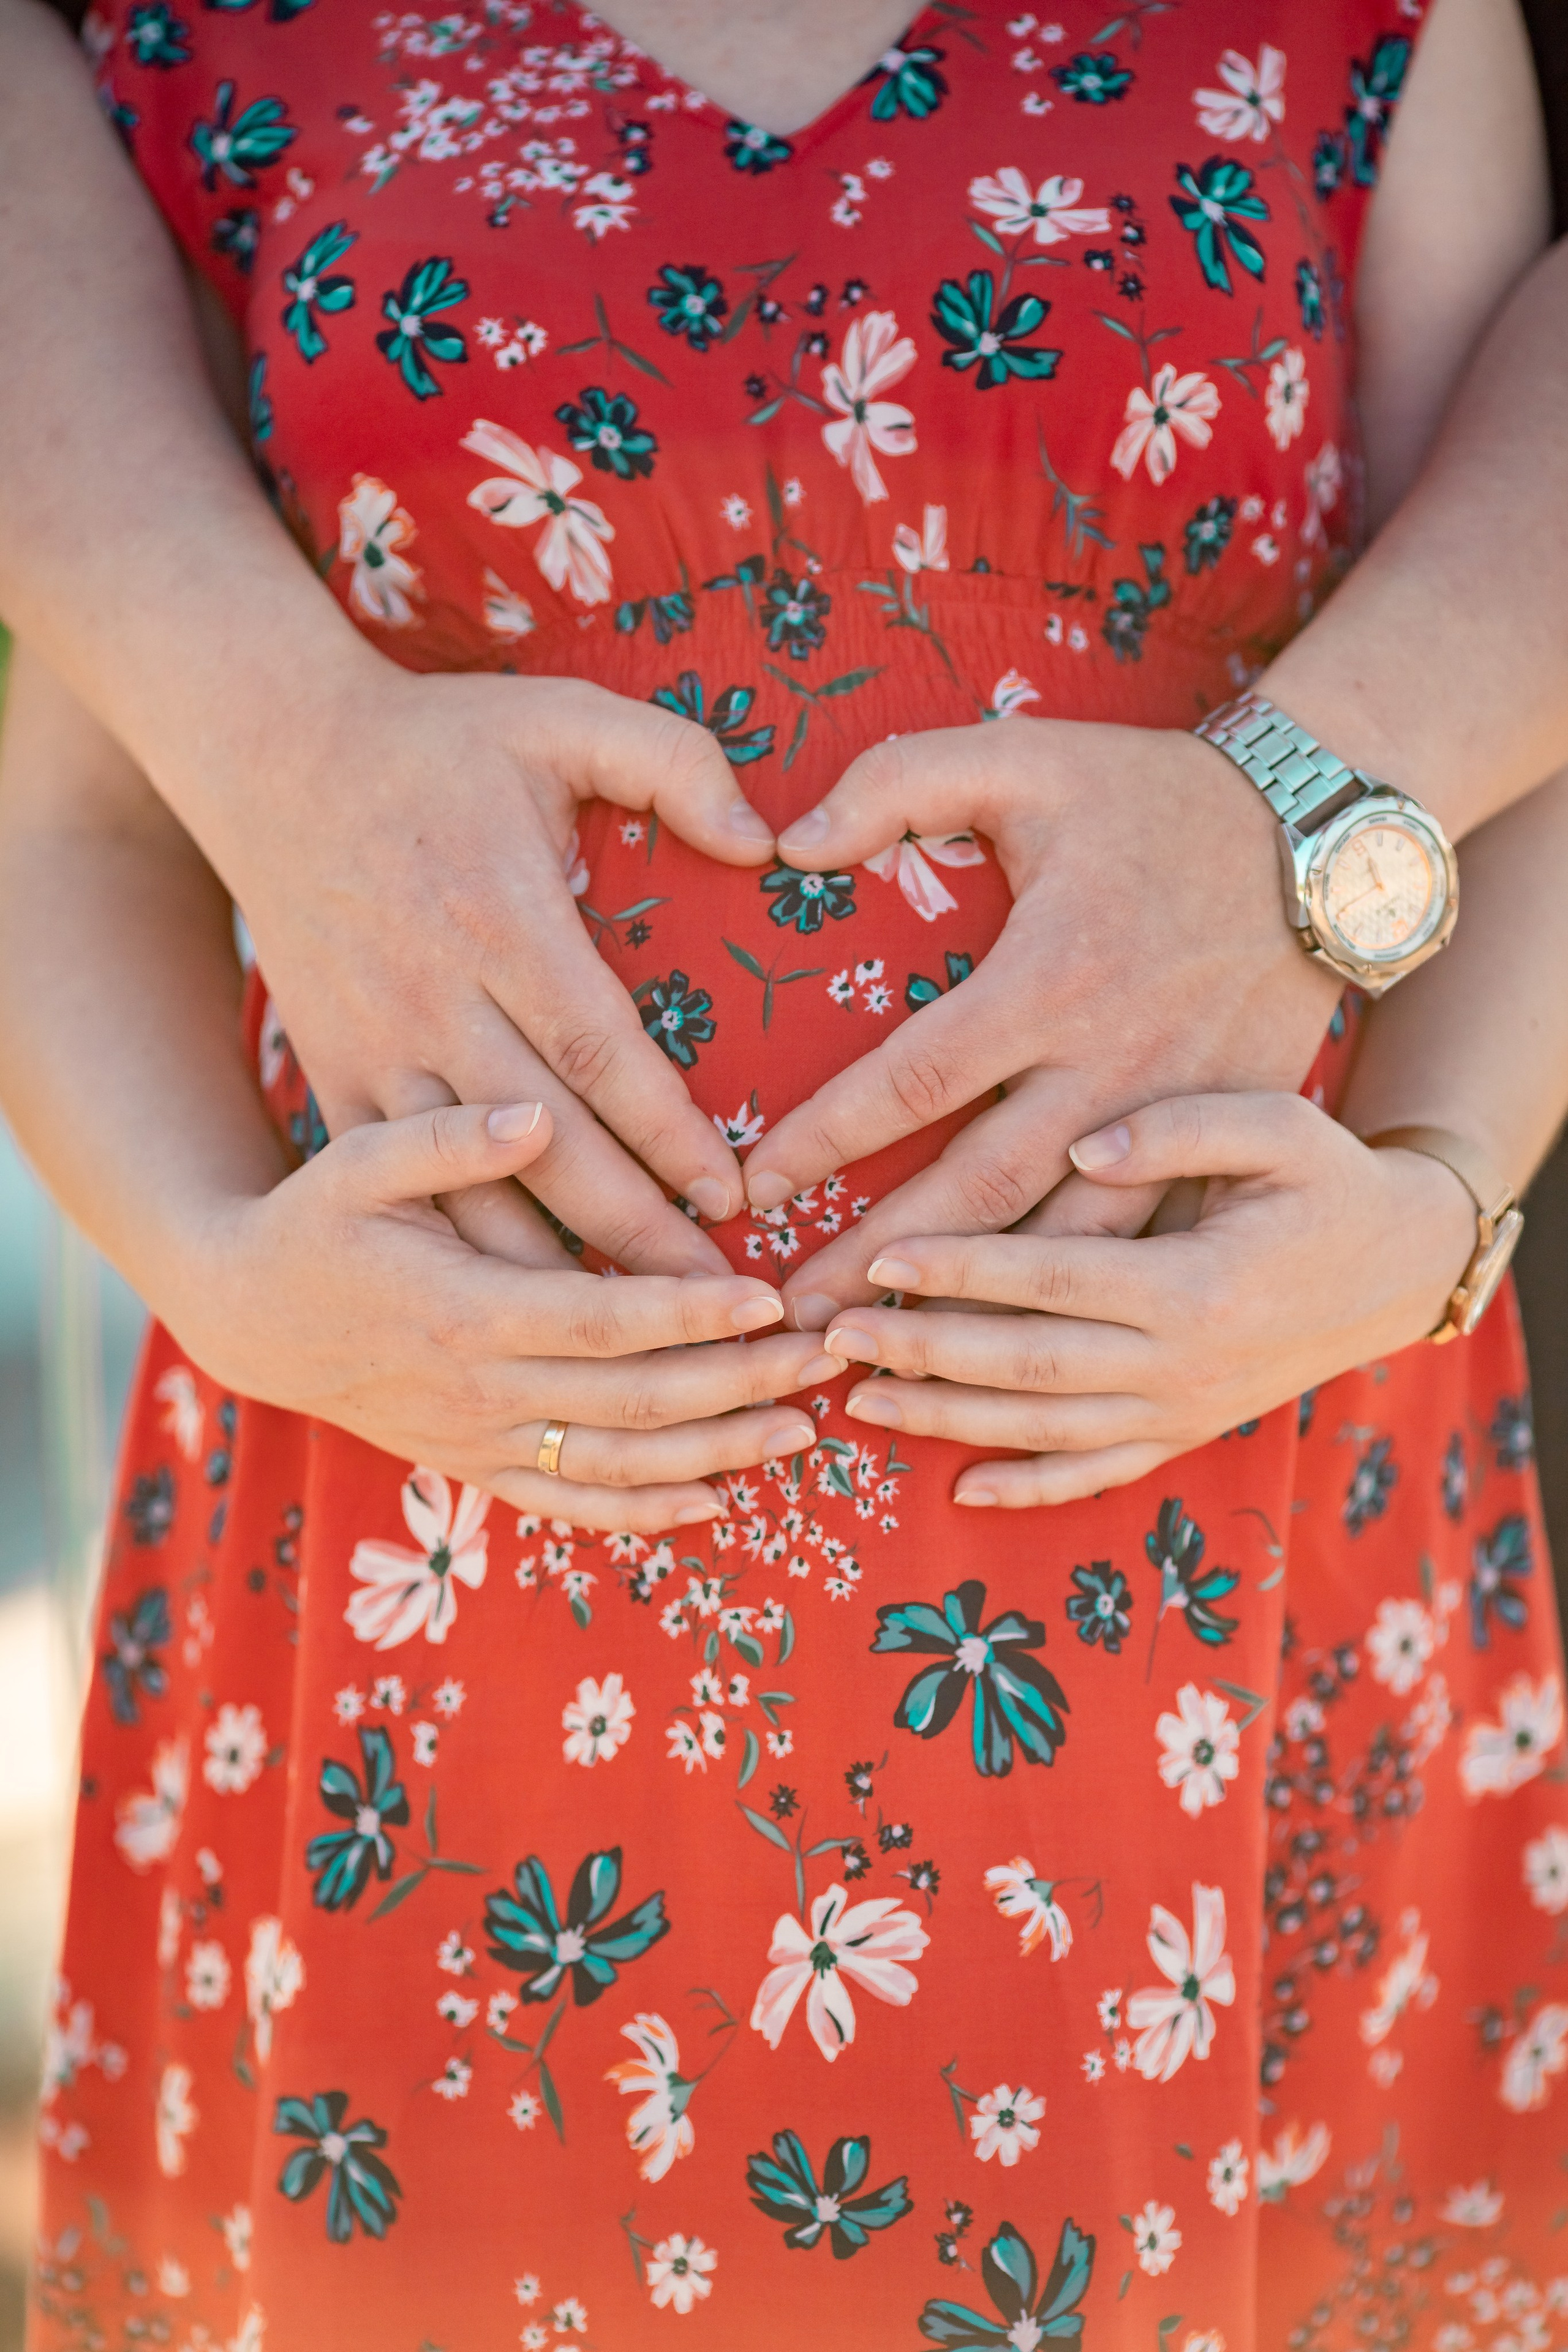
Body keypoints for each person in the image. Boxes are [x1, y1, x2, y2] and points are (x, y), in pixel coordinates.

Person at [2, 0, 1567, 2343]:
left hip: (1208, 1576)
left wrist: (1437, 1207)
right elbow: (79, 811)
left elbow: (1530, 756)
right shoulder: (175, 40)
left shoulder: (1377, 25)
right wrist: (225, 1276)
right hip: (445, 1617)